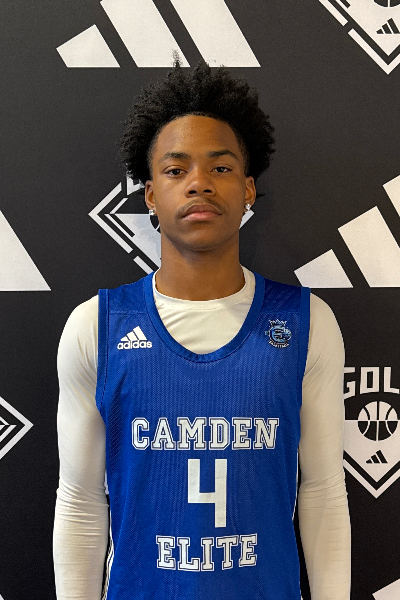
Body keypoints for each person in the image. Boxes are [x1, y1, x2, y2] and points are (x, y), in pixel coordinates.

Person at [53, 59, 351, 600]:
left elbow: (324, 493)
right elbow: (80, 503)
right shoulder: (95, 327)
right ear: (149, 195)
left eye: (221, 167)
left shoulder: (307, 323)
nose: (199, 183)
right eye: (175, 170)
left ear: (248, 189)